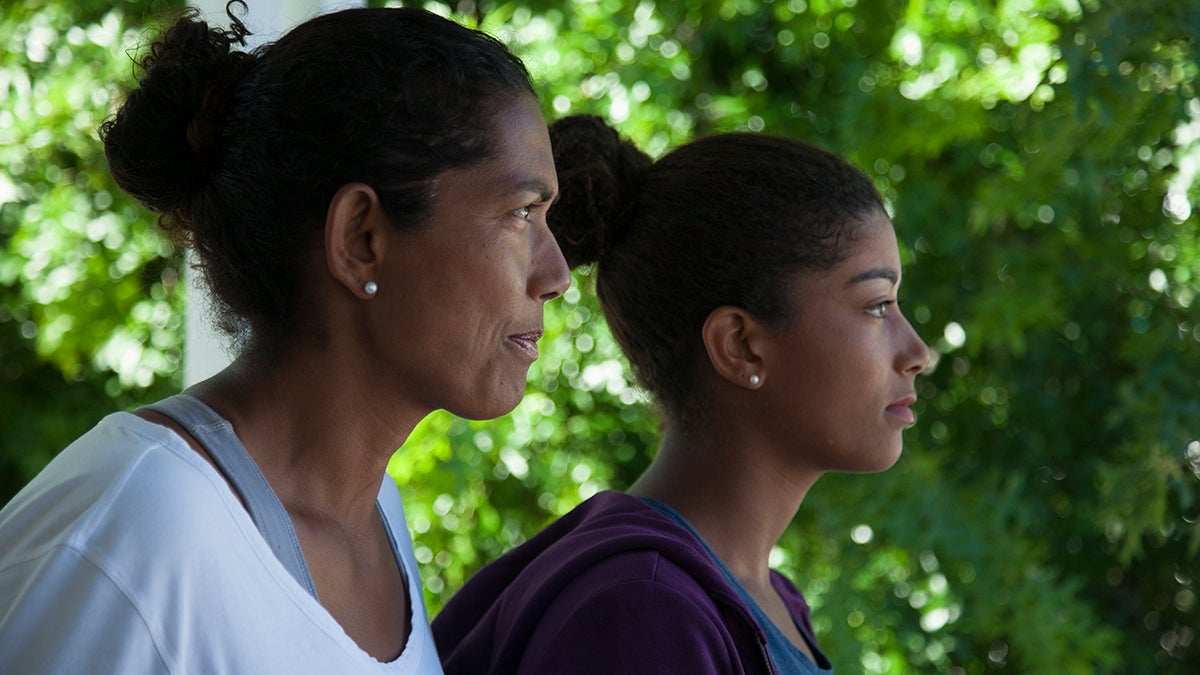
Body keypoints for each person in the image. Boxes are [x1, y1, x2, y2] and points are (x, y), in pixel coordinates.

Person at [0, 4, 568, 673]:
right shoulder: (136, 536)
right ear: (361, 239)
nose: (555, 274)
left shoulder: (373, 512)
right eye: (520, 214)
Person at [432, 115, 931, 674]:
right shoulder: (646, 611)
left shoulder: (763, 601)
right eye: (877, 305)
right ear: (740, 346)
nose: (918, 351)